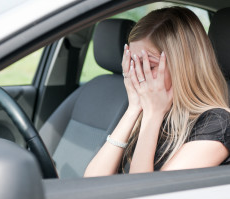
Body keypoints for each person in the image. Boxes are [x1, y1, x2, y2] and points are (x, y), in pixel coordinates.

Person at [84, 6, 230, 177]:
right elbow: (92, 180)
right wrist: (134, 108)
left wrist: (153, 115)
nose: (138, 74)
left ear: (182, 68)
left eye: (148, 65)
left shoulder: (218, 124)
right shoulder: (149, 109)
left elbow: (142, 191)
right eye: (133, 63)